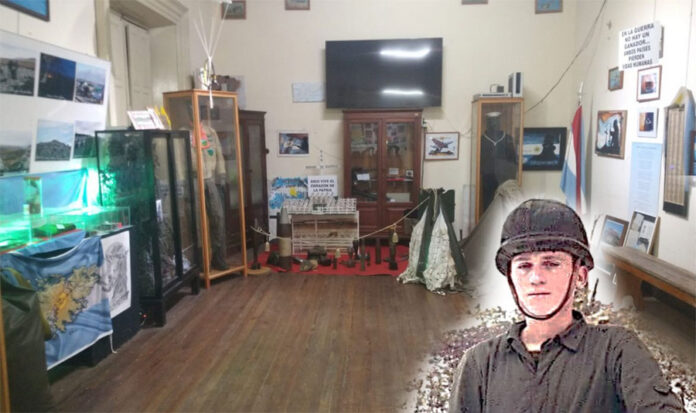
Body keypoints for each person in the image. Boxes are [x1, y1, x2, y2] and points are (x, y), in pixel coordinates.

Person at [449, 199, 684, 412]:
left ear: (580, 276)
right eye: (524, 266)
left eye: (551, 263)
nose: (536, 278)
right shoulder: (479, 363)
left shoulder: (616, 351)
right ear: (510, 277)